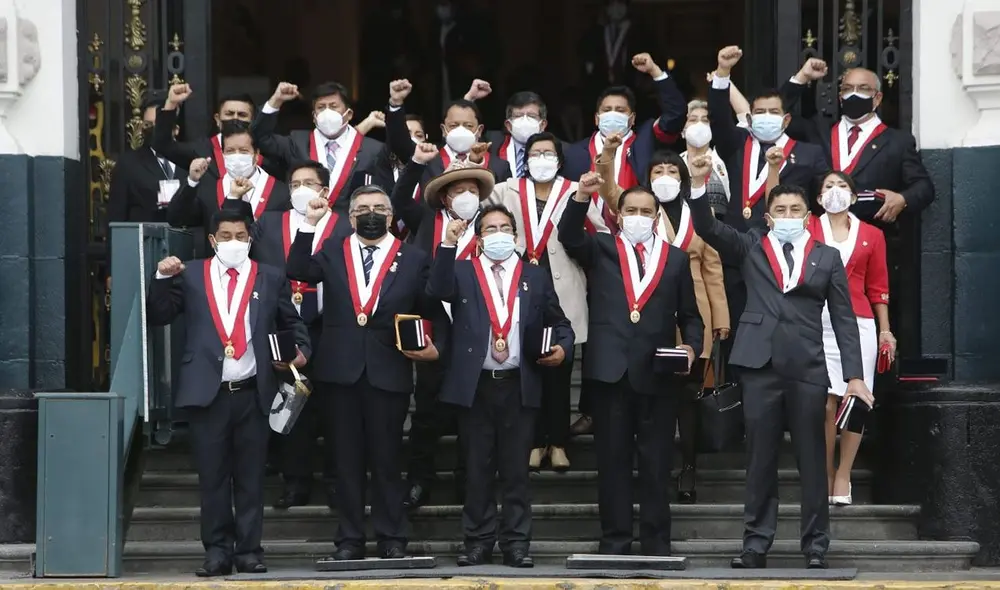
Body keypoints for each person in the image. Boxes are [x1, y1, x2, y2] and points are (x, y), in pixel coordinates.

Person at [685, 153, 873, 570]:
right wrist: (698, 185)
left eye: (795, 210)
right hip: (758, 365)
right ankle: (755, 543)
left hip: (807, 366)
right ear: (768, 217)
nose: (787, 216)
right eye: (780, 210)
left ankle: (816, 544)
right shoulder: (751, 245)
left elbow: (844, 320)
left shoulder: (827, 257)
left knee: (812, 459)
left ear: (808, 216)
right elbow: (707, 227)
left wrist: (854, 377)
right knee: (761, 459)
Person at [284, 185, 447, 560]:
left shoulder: (413, 257)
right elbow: (296, 269)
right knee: (346, 461)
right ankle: (350, 539)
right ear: (351, 216)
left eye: (378, 208)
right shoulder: (332, 250)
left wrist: (430, 344)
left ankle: (392, 537)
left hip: (388, 370)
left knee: (388, 459)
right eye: (362, 209)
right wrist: (309, 223)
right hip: (340, 372)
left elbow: (432, 306)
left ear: (390, 216)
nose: (370, 214)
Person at [146, 207, 310, 577]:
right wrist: (159, 276)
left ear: (250, 239)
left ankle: (249, 551)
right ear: (212, 240)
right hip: (208, 393)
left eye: (240, 236)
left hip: (254, 391)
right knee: (213, 477)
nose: (232, 243)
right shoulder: (191, 275)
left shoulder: (269, 276)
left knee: (251, 478)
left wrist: (300, 355)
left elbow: (293, 325)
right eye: (225, 236)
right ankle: (217, 551)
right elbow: (159, 314)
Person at [558, 174, 703, 556]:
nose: (638, 217)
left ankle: (657, 543)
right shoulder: (601, 247)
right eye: (631, 210)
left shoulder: (674, 258)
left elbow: (690, 314)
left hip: (657, 375)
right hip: (610, 373)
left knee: (656, 464)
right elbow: (569, 236)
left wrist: (691, 346)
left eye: (646, 211)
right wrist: (580, 196)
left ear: (657, 218)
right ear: (619, 216)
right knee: (613, 463)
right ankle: (615, 540)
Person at [427, 203, 574, 567]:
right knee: (477, 469)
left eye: (504, 227)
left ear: (515, 235)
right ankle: (477, 541)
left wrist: (562, 347)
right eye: (489, 228)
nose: (498, 234)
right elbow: (436, 290)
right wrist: (447, 244)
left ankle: (516, 543)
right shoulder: (462, 272)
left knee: (516, 471)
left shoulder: (534, 276)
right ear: (478, 240)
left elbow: (561, 323)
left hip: (518, 385)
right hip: (476, 387)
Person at [595, 145, 730, 503]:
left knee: (688, 397)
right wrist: (607, 158)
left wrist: (720, 319)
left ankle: (687, 466)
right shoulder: (635, 207)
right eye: (658, 171)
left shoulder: (699, 214)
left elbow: (712, 269)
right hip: (647, 323)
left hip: (691, 314)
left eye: (673, 170)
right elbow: (609, 190)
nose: (665, 177)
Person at [488, 132, 608, 470]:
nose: (542, 158)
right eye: (535, 152)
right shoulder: (505, 189)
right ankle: (532, 441)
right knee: (528, 372)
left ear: (559, 158)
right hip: (517, 288)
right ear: (526, 157)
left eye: (548, 152)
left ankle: (557, 442)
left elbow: (599, 235)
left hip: (564, 286)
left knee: (560, 369)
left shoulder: (576, 189)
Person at [244, 161, 353, 509]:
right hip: (286, 323)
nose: (301, 188)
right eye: (295, 183)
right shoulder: (271, 221)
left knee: (336, 407)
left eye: (309, 182)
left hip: (331, 325)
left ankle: (336, 480)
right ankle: (295, 482)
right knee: (291, 405)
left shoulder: (342, 224)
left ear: (325, 189)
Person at [389, 151, 490, 509]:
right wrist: (414, 162)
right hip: (435, 330)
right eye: (458, 190)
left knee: (472, 415)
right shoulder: (428, 220)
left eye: (472, 190)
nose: (466, 196)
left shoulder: (491, 226)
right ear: (446, 197)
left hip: (479, 332)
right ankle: (419, 482)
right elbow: (399, 200)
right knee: (427, 414)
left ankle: (469, 483)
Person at [808, 171, 894, 505]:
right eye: (828, 186)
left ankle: (844, 473)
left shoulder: (872, 235)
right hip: (817, 321)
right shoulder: (808, 228)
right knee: (826, 401)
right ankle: (826, 473)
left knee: (857, 399)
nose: (835, 191)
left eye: (842, 186)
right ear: (818, 198)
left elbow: (878, 287)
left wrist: (885, 330)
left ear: (855, 197)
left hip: (859, 323)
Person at [780, 63, 935, 223]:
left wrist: (902, 199)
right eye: (847, 88)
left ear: (878, 98)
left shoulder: (897, 141)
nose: (854, 94)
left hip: (871, 234)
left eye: (863, 88)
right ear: (840, 97)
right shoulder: (819, 131)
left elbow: (924, 186)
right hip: (820, 236)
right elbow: (778, 114)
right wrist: (802, 77)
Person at [707, 46, 827, 232]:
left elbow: (821, 200)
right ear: (749, 118)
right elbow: (718, 118)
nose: (767, 116)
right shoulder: (736, 143)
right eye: (760, 112)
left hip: (785, 242)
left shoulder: (808, 154)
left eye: (774, 112)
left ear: (786, 120)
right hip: (737, 242)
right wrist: (723, 72)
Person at [563, 52, 688, 197]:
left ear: (632, 118)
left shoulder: (646, 140)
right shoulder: (574, 153)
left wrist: (655, 71)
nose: (613, 113)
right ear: (596, 118)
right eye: (607, 110)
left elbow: (675, 114)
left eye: (620, 110)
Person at [252, 81, 384, 211]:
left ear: (348, 114)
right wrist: (276, 101)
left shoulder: (373, 149)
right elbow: (260, 138)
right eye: (321, 107)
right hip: (304, 222)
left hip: (350, 227)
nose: (327, 112)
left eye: (333, 106)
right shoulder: (297, 141)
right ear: (314, 117)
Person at [167, 124, 290, 255]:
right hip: (217, 270)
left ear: (256, 155)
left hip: (263, 271)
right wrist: (192, 181)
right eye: (230, 151)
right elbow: (177, 218)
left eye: (243, 151)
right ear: (223, 154)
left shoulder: (280, 192)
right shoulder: (209, 189)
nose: (236, 156)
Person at [384, 78, 511, 182]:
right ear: (443, 130)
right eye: (454, 125)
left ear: (479, 130)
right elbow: (399, 143)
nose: (461, 130)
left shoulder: (499, 167)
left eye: (468, 126)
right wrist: (396, 102)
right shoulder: (427, 159)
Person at [153, 83, 273, 178]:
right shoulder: (200, 150)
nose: (235, 119)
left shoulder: (265, 151)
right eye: (229, 114)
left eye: (242, 115)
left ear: (252, 120)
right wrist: (171, 103)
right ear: (217, 119)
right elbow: (162, 145)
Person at [108, 90, 184, 224]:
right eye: (148, 125)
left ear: (175, 129)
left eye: (159, 124)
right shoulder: (128, 164)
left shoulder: (190, 161)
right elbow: (116, 216)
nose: (153, 129)